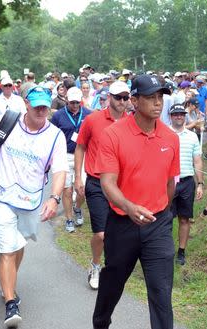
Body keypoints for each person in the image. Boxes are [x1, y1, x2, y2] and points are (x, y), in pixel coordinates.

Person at [0, 86, 68, 328]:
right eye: (37, 105)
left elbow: (60, 169)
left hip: (30, 201)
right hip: (1, 195)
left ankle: (8, 282)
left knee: (20, 244)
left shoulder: (55, 136)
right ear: (27, 104)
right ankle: (11, 301)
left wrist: (53, 197)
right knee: (8, 247)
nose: (42, 110)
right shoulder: (8, 122)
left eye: (45, 106)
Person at [92, 75, 180, 329]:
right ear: (134, 100)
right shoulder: (112, 135)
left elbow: (170, 182)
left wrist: (161, 209)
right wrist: (130, 207)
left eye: (160, 97)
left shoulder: (170, 137)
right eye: (151, 97)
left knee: (161, 292)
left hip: (158, 223)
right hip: (122, 224)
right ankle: (100, 323)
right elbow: (107, 183)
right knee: (112, 285)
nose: (157, 103)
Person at [75, 81, 130, 290]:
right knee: (101, 233)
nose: (122, 101)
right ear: (109, 98)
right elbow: (80, 147)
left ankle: (112, 267)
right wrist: (78, 178)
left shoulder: (132, 122)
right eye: (118, 97)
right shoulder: (93, 119)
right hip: (96, 182)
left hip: (121, 184)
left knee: (118, 232)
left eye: (126, 97)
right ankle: (96, 265)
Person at [51, 87, 91, 233]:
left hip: (84, 155)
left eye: (77, 102)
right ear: (67, 100)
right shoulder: (59, 116)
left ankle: (78, 208)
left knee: (82, 189)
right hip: (65, 155)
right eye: (72, 102)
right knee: (67, 190)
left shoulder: (88, 114)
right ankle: (69, 218)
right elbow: (52, 136)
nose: (75, 105)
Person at [169, 103, 204, 266]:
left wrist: (200, 183)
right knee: (166, 218)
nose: (179, 116)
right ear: (171, 116)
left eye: (181, 114)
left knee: (184, 218)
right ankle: (165, 250)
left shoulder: (192, 136)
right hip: (168, 182)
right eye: (176, 114)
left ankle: (181, 251)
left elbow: (197, 160)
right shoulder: (164, 133)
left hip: (186, 181)